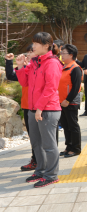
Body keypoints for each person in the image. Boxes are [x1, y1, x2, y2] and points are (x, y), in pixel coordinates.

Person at [15, 32, 64, 188]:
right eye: (33, 43)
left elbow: (51, 88)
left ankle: (51, 175)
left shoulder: (52, 63)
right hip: (33, 109)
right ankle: (41, 170)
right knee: (36, 143)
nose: (33, 46)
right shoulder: (35, 62)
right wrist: (21, 66)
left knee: (49, 145)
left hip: (47, 110)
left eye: (36, 43)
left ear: (46, 45)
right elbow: (24, 83)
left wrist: (39, 109)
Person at [5, 45, 38, 171]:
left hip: (39, 107)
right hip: (27, 105)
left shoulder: (40, 67)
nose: (28, 54)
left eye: (31, 52)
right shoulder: (24, 68)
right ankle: (36, 160)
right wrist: (9, 61)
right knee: (33, 136)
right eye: (28, 52)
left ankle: (42, 162)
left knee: (40, 137)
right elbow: (11, 76)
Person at [59, 44, 83, 158]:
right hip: (61, 102)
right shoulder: (64, 67)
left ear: (71, 55)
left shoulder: (75, 68)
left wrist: (67, 100)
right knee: (65, 125)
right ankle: (69, 146)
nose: (61, 55)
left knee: (73, 125)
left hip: (70, 102)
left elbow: (76, 87)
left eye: (64, 53)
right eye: (61, 53)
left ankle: (76, 148)